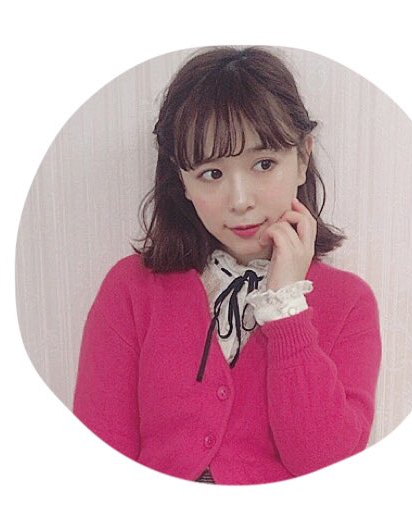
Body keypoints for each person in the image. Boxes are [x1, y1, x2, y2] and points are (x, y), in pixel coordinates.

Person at [73, 46, 382, 485]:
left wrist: (286, 308)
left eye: (264, 164)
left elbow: (326, 465)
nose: (240, 201)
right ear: (182, 180)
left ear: (303, 158)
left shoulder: (349, 302)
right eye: (212, 174)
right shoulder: (131, 288)